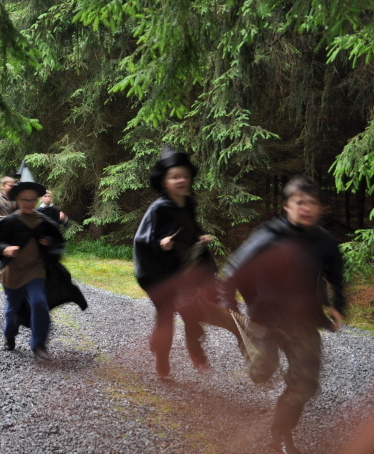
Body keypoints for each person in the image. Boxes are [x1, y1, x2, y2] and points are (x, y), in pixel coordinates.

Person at [220, 175, 345, 454]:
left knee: (306, 383)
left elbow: (336, 272)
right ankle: (247, 343)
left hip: (303, 321)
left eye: (312, 203)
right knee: (261, 373)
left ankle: (281, 431)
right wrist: (231, 307)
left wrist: (338, 304)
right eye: (300, 202)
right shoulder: (268, 237)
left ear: (319, 207)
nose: (306, 208)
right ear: (287, 205)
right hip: (264, 320)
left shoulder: (323, 241)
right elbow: (233, 270)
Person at [133, 148, 238, 378]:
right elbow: (143, 238)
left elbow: (191, 227)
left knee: (192, 312)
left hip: (183, 269)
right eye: (174, 177)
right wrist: (160, 243)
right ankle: (162, 360)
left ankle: (196, 351)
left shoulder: (189, 204)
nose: (180, 180)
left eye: (184, 176)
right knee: (166, 315)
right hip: (161, 272)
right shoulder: (159, 208)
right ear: (164, 182)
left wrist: (199, 235)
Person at [0, 180, 60, 359]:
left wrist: (49, 243)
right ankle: (9, 335)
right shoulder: (9, 222)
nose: (29, 203)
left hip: (36, 270)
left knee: (39, 303)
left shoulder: (44, 222)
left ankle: (39, 344)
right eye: (25, 199)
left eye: (32, 200)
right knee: (13, 308)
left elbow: (57, 243)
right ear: (17, 199)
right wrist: (5, 249)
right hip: (13, 271)